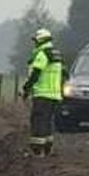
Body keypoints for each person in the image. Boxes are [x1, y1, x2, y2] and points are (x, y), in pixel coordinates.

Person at [21, 29, 65, 157]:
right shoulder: (56, 54)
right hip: (54, 94)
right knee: (47, 120)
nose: (34, 43)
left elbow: (36, 73)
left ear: (40, 40)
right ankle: (47, 147)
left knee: (38, 120)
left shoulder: (42, 54)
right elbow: (64, 74)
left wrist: (26, 88)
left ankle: (37, 149)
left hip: (42, 94)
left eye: (35, 41)